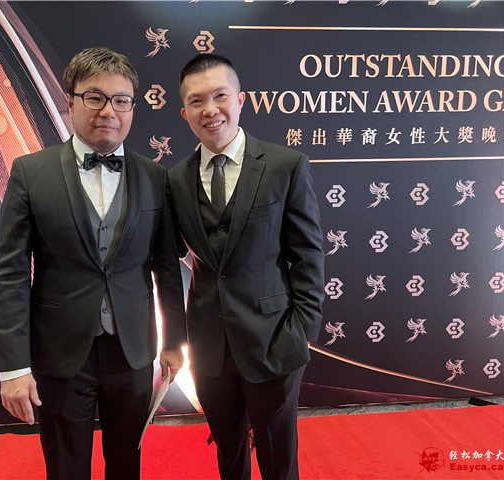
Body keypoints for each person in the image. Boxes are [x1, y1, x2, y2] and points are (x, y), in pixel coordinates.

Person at [0, 47, 186, 480]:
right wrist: (13, 367)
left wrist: (174, 340)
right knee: (65, 468)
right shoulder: (29, 173)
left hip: (133, 351)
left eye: (121, 100)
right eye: (94, 97)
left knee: (126, 464)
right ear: (71, 100)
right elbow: (10, 274)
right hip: (60, 353)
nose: (108, 111)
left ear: (132, 107)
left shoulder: (155, 177)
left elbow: (166, 267)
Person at [168, 53, 325, 480]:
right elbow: (167, 261)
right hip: (208, 347)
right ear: (184, 113)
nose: (210, 109)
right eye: (197, 101)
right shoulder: (175, 179)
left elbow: (308, 255)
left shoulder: (284, 165)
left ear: (240, 100)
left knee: (278, 458)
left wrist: (300, 332)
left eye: (220, 96)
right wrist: (176, 339)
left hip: (274, 341)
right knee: (229, 453)